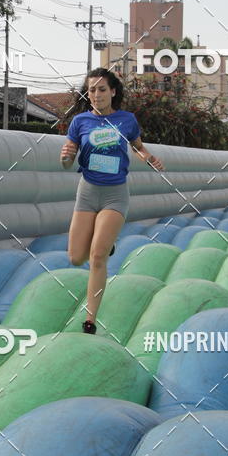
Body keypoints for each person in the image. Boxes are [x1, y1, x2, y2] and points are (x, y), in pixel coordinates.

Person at [60, 67, 164, 334]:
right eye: (91, 90)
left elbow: (138, 147)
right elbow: (67, 162)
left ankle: (90, 319)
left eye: (102, 89)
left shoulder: (126, 120)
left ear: (113, 91)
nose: (96, 94)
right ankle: (108, 245)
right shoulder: (80, 122)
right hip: (87, 192)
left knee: (97, 256)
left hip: (115, 194)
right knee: (75, 257)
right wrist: (66, 157)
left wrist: (149, 158)